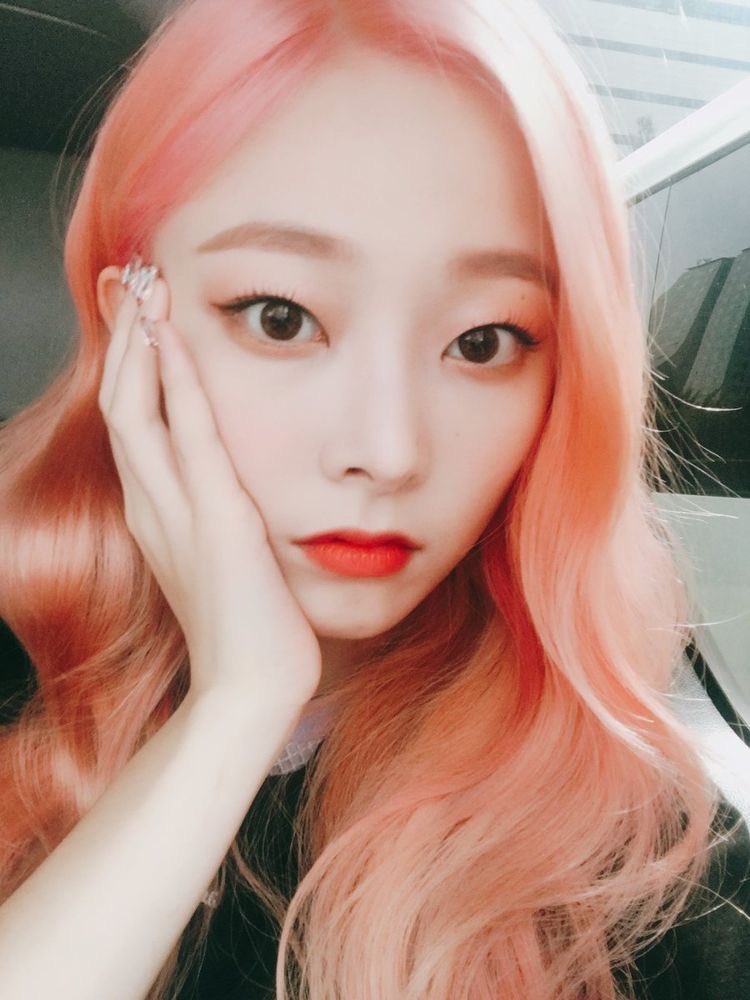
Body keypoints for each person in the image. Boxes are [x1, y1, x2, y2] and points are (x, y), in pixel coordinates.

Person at [0, 0, 748, 997]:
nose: (387, 452)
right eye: (280, 316)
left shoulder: (657, 872)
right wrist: (236, 705)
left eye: (484, 341)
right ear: (132, 325)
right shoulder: (18, 669)